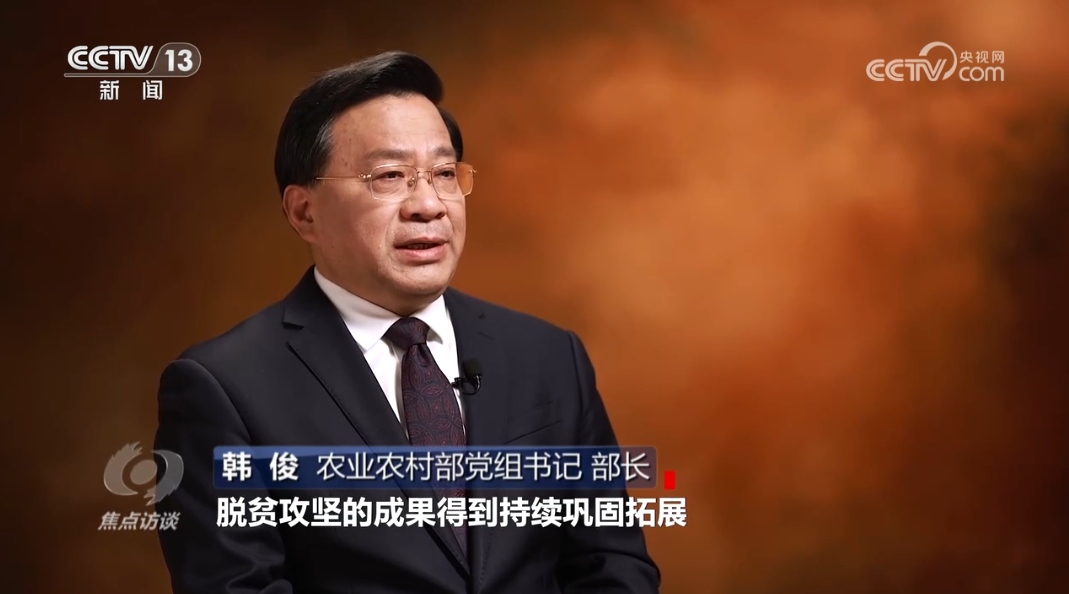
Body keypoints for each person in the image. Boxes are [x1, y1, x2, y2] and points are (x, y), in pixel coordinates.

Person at [154, 50, 660, 594]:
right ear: (304, 212)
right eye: (390, 176)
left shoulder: (550, 356)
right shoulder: (223, 387)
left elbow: (612, 565)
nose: (428, 205)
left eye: (444, 174)